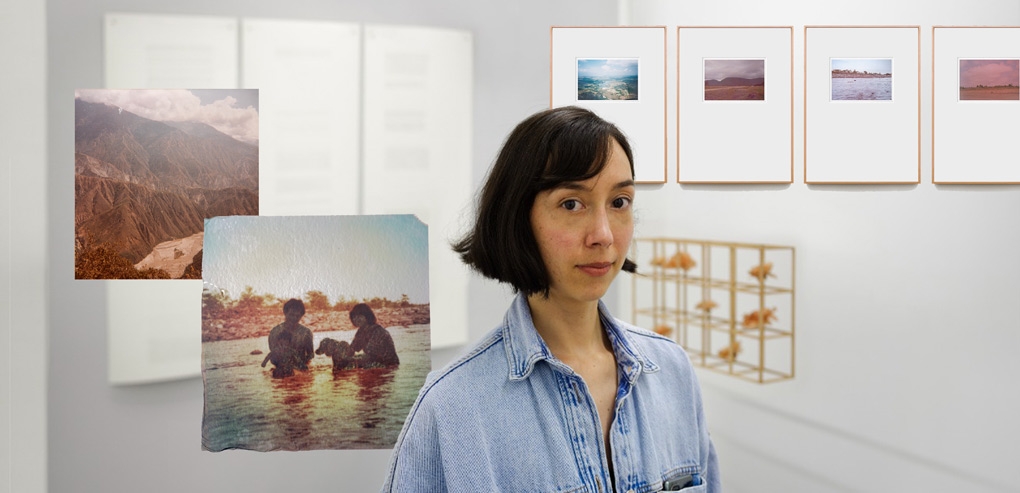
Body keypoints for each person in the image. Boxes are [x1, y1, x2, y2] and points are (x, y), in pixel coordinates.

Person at [381, 106, 720, 492]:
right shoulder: (452, 408)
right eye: (571, 204)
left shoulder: (672, 370)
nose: (603, 235)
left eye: (619, 201)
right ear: (517, 218)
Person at [265, 298, 314, 378]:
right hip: (281, 368)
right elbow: (273, 354)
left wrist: (301, 365)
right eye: (291, 315)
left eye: (297, 316)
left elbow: (311, 355)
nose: (294, 318)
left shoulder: (306, 333)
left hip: (300, 367)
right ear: (285, 312)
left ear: (301, 316)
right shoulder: (275, 332)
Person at [348, 303, 400, 368]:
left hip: (389, 365)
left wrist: (350, 360)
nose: (356, 319)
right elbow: (353, 348)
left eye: (360, 316)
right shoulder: (361, 331)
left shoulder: (378, 331)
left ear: (367, 316)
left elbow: (370, 356)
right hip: (375, 363)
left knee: (359, 364)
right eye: (354, 317)